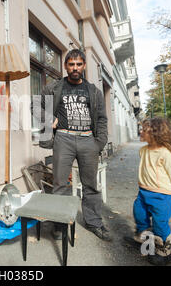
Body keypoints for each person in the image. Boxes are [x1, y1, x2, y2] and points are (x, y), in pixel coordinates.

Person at [36, 49, 110, 241]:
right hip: (63, 139)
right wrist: (47, 118)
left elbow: (102, 119)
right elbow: (35, 106)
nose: (75, 68)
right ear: (65, 66)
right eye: (71, 64)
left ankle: (94, 222)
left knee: (90, 185)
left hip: (88, 141)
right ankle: (60, 224)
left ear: (84, 66)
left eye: (78, 64)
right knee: (60, 183)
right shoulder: (54, 88)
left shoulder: (93, 91)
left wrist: (99, 143)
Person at [133, 117, 171, 266]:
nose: (141, 132)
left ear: (155, 133)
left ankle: (165, 253)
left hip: (162, 194)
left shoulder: (165, 154)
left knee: (160, 222)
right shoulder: (144, 150)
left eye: (144, 130)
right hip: (144, 191)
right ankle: (147, 239)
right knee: (139, 213)